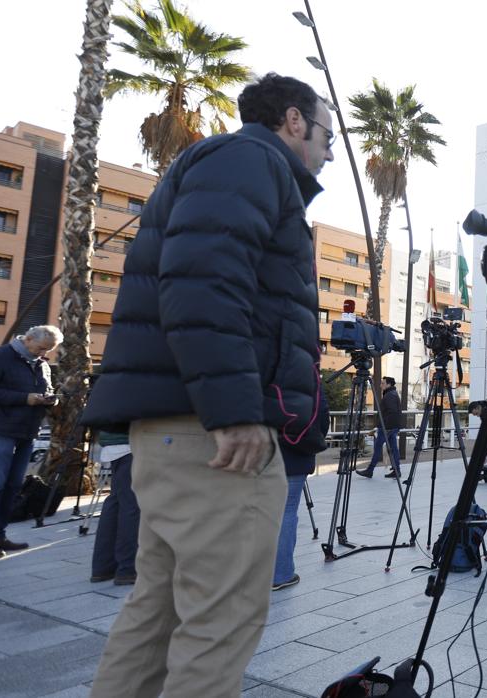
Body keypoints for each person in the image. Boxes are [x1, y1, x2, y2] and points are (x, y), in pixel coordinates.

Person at [81, 73, 333, 698]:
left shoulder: (232, 164)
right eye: (327, 134)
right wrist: (235, 410)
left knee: (159, 612)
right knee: (220, 623)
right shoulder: (250, 159)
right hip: (214, 438)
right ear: (294, 121)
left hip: (181, 433)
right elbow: (204, 283)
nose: (329, 150)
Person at [0, 325, 62, 558]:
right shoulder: (2, 356)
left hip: (27, 433)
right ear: (28, 339)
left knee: (13, 485)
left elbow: (48, 388)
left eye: (48, 350)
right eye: (41, 348)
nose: (43, 353)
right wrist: (24, 399)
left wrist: (50, 399)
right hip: (2, 430)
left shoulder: (42, 364)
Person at [273, 391, 329, 591]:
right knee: (287, 512)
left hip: (262, 452)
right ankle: (281, 574)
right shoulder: (307, 373)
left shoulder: (260, 365)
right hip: (296, 454)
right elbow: (322, 416)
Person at [89, 431, 139, 585]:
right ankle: (128, 568)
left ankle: (104, 567)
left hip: (114, 438)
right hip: (131, 439)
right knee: (131, 503)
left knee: (117, 500)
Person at [358, 376, 406, 479]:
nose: (380, 385)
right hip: (392, 426)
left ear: (389, 384)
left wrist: (384, 426)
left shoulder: (389, 396)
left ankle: (370, 470)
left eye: (383, 383)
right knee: (393, 449)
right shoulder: (392, 394)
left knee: (378, 447)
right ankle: (396, 471)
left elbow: (391, 412)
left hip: (387, 427)